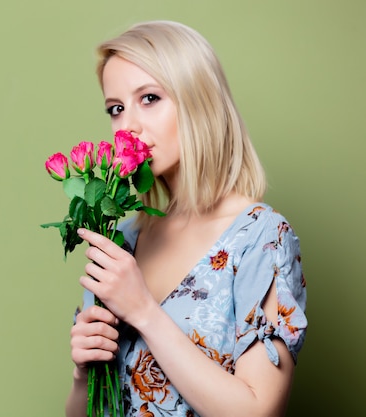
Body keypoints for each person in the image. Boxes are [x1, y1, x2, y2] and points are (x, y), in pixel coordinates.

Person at [65, 20, 307, 417]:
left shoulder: (261, 237)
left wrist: (142, 309)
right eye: (116, 109)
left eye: (149, 98)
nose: (129, 127)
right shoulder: (121, 238)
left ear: (199, 99)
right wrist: (82, 373)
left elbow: (259, 411)